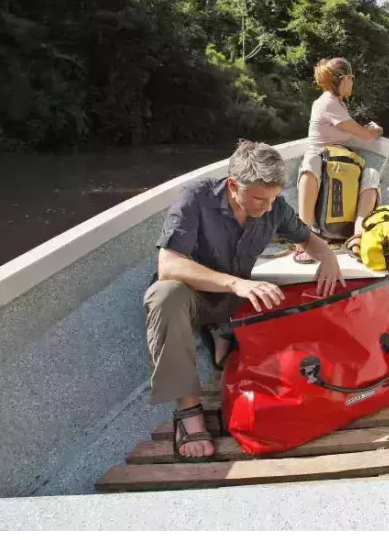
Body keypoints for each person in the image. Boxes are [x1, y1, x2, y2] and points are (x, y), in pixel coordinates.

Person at [144, 138, 343, 458]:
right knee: (164, 294)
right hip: (191, 299)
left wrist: (328, 258)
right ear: (233, 186)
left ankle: (223, 332)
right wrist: (235, 283)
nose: (268, 208)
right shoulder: (195, 197)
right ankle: (188, 412)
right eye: (260, 198)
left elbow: (309, 239)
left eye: (274, 198)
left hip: (234, 302)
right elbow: (168, 265)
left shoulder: (274, 207)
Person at [292, 57, 384, 263]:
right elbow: (366, 134)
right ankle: (303, 235)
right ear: (343, 79)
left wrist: (366, 131)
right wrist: (376, 129)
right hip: (322, 163)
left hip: (339, 163)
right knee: (312, 161)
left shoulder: (339, 104)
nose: (352, 83)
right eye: (352, 78)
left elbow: (354, 131)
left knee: (371, 174)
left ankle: (357, 233)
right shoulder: (328, 103)